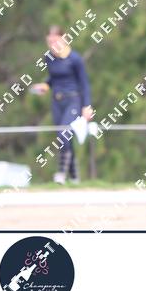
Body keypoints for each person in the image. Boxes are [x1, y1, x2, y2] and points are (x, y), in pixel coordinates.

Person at [31, 26, 94, 184]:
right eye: (49, 42)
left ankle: (61, 173)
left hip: (73, 100)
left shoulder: (75, 59)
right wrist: (45, 85)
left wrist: (86, 106)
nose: (52, 45)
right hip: (57, 101)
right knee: (64, 137)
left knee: (63, 134)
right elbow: (53, 78)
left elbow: (84, 83)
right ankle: (74, 177)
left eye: (55, 41)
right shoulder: (49, 58)